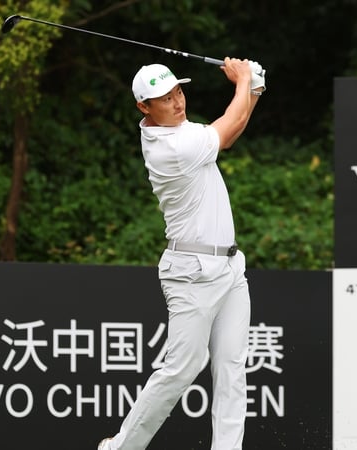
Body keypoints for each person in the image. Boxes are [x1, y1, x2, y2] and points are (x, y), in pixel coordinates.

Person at [97, 57, 265, 450]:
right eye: (164, 99)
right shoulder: (169, 148)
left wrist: (252, 89)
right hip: (191, 274)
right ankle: (122, 447)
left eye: (178, 92)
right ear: (144, 108)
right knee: (181, 368)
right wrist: (243, 82)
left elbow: (233, 126)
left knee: (231, 369)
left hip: (228, 269)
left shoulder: (183, 131)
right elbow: (224, 132)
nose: (177, 103)